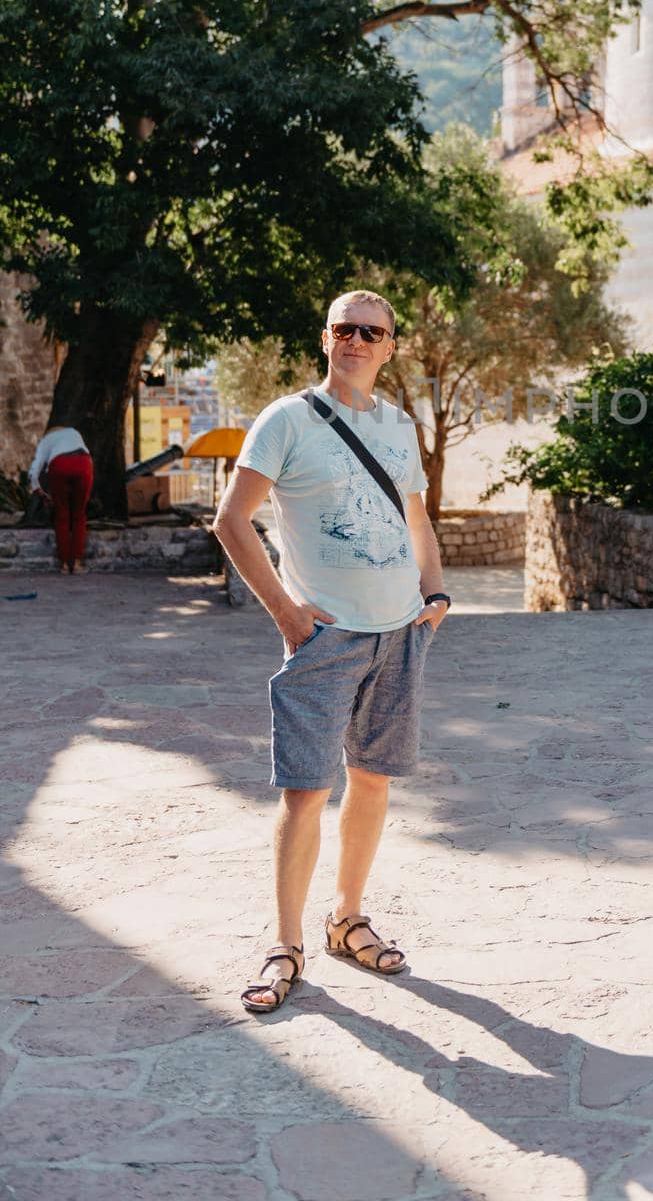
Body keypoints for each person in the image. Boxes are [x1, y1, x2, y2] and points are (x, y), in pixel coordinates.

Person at [213, 289, 450, 1015]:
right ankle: (287, 945)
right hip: (325, 641)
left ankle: (347, 919)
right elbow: (232, 520)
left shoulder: (400, 427)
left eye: (370, 332)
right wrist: (286, 614)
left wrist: (435, 597)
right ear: (325, 338)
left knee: (372, 782)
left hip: (399, 634)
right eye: (345, 328)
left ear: (389, 346)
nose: (356, 340)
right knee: (306, 794)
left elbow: (416, 515)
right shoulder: (286, 420)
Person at [28, 424, 94, 575]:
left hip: (59, 465)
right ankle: (76, 564)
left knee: (62, 514)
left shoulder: (47, 439)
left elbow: (35, 468)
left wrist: (38, 489)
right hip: (83, 463)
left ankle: (64, 564)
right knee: (79, 514)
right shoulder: (74, 432)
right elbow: (86, 454)